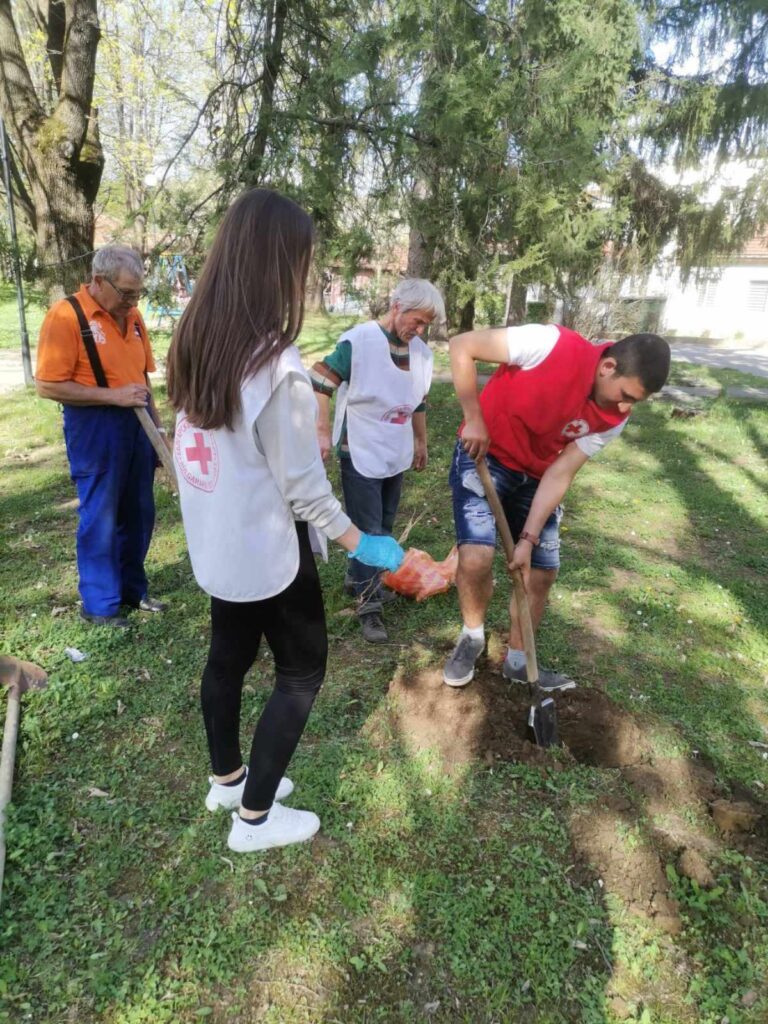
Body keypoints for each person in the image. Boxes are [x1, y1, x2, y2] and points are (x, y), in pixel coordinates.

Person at [166, 188, 404, 854]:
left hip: (218, 544)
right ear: (278, 264)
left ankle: (226, 778)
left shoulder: (196, 339)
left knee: (229, 658)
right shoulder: (277, 366)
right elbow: (305, 493)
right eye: (303, 261)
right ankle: (255, 820)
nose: (306, 275)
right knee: (301, 670)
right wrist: (369, 545)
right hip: (269, 553)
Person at [443, 322, 671, 689]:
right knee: (476, 557)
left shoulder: (615, 417)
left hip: (540, 473)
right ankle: (471, 637)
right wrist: (473, 418)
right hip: (487, 453)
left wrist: (528, 539)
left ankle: (519, 661)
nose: (626, 406)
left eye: (636, 401)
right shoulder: (549, 344)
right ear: (608, 367)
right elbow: (461, 346)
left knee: (543, 572)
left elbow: (562, 472)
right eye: (626, 394)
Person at [35, 246, 166, 628]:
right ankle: (99, 604)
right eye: (126, 293)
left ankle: (132, 589)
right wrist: (112, 396)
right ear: (97, 281)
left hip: (137, 423)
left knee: (139, 511)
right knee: (101, 515)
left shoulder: (135, 317)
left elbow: (142, 381)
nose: (132, 301)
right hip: (95, 427)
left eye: (137, 293)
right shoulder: (66, 316)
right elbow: (46, 385)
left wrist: (159, 432)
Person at [311, 278, 445, 643]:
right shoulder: (360, 342)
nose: (419, 331)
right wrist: (322, 429)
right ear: (397, 305)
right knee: (370, 529)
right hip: (361, 449)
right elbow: (319, 381)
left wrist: (421, 440)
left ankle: (358, 579)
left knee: (383, 521)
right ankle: (369, 606)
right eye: (416, 321)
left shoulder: (420, 354)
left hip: (394, 450)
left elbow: (417, 401)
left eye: (425, 326)